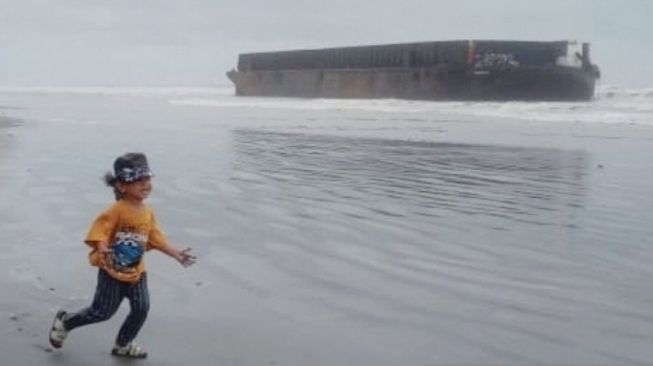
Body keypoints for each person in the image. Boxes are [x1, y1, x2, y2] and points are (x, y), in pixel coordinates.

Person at [48, 152, 196, 359]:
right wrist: (100, 246)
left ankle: (123, 344)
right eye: (138, 180)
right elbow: (101, 229)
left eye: (148, 179)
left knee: (141, 308)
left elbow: (154, 237)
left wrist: (175, 253)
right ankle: (65, 322)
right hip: (112, 271)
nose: (146, 184)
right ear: (121, 186)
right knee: (102, 312)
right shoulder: (116, 211)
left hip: (136, 272)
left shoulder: (147, 212)